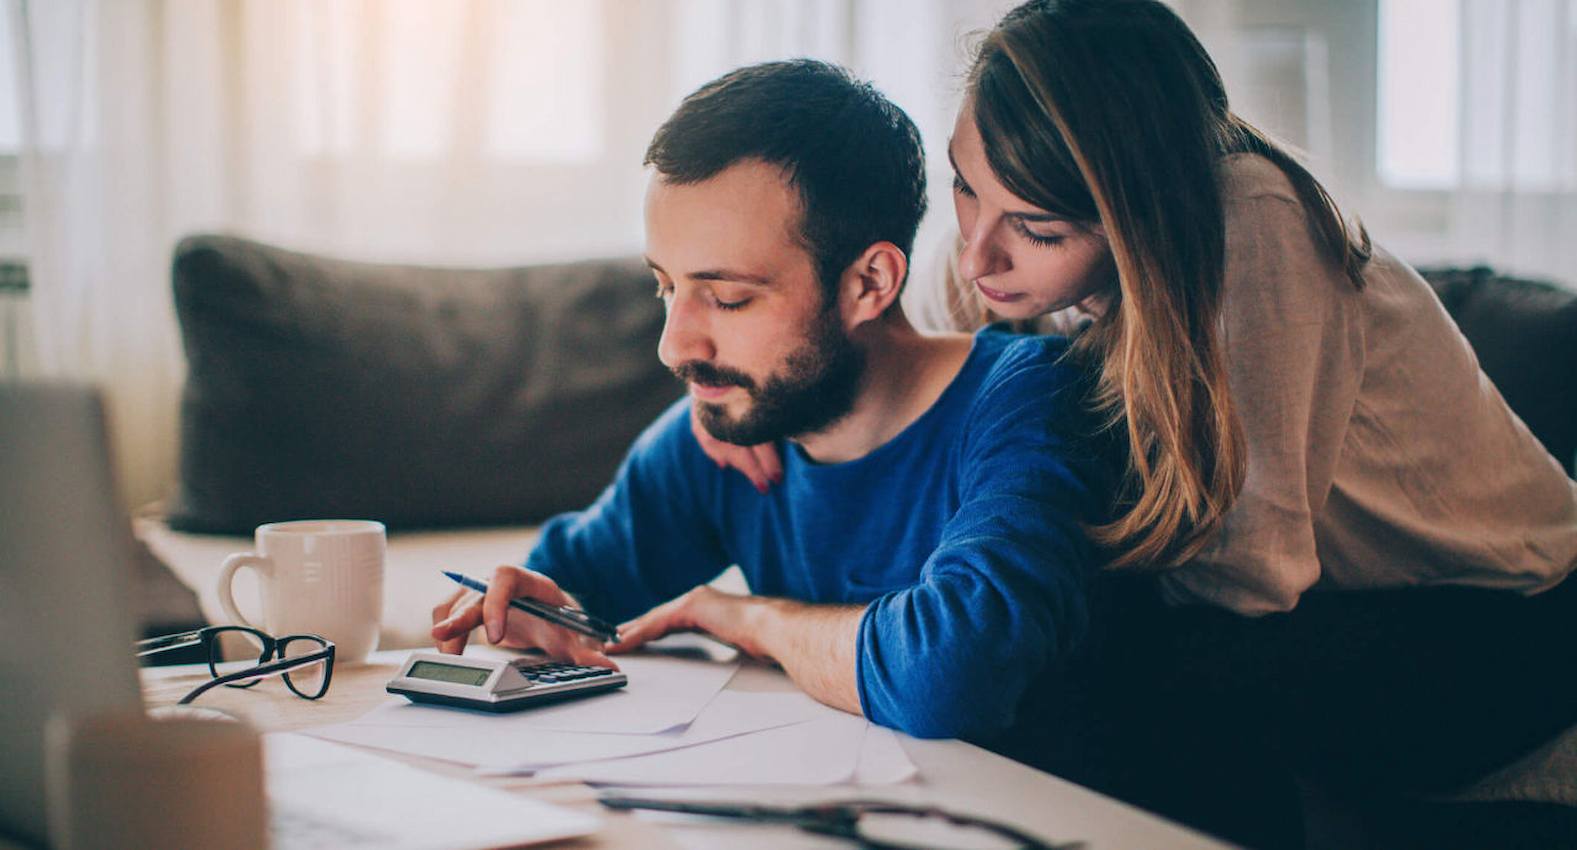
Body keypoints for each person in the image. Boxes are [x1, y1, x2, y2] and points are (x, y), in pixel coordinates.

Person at [694, 2, 1577, 846]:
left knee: (1111, 668)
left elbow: (1250, 573)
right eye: (965, 191)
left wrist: (991, 597)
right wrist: (755, 390)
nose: (977, 254)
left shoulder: (1253, 227)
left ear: (1135, 212)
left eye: (1035, 230)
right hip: (1329, 601)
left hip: (1502, 610)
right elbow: (890, 342)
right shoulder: (1001, 230)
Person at [430, 59, 1116, 749]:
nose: (674, 347)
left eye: (727, 297)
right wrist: (525, 606)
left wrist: (748, 619)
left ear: (868, 283)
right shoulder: (730, 430)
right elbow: (572, 588)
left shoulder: (1030, 400)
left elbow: (951, 677)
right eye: (665, 287)